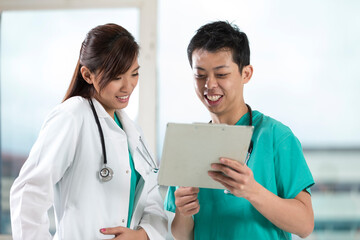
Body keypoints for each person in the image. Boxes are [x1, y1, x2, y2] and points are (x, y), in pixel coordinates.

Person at [10, 23, 167, 240]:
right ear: (87, 74)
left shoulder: (133, 131)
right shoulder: (72, 116)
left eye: (134, 74)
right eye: (116, 77)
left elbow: (153, 200)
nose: (128, 86)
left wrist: (142, 235)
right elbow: (28, 193)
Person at [164, 21, 315, 240]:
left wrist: (252, 191)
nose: (209, 85)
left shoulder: (276, 137)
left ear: (246, 74)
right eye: (200, 75)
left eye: (221, 74)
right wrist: (184, 212)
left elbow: (305, 224)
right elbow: (181, 234)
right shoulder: (189, 144)